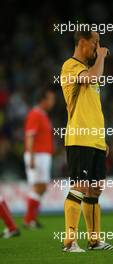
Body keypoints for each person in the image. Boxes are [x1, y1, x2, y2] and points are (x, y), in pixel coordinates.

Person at [60, 30, 113, 252]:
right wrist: (102, 56)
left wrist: (101, 139)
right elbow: (94, 77)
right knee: (80, 186)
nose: (98, 47)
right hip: (79, 137)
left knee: (95, 189)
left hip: (94, 139)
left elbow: (92, 107)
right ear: (82, 42)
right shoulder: (70, 66)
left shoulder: (87, 69)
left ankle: (94, 241)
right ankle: (69, 241)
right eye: (95, 43)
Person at [23, 88, 55, 228]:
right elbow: (30, 136)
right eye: (50, 99)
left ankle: (32, 219)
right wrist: (31, 157)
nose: (52, 102)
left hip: (43, 155)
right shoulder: (35, 114)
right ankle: (29, 220)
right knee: (37, 187)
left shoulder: (43, 115)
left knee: (41, 187)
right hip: (37, 155)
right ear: (43, 100)